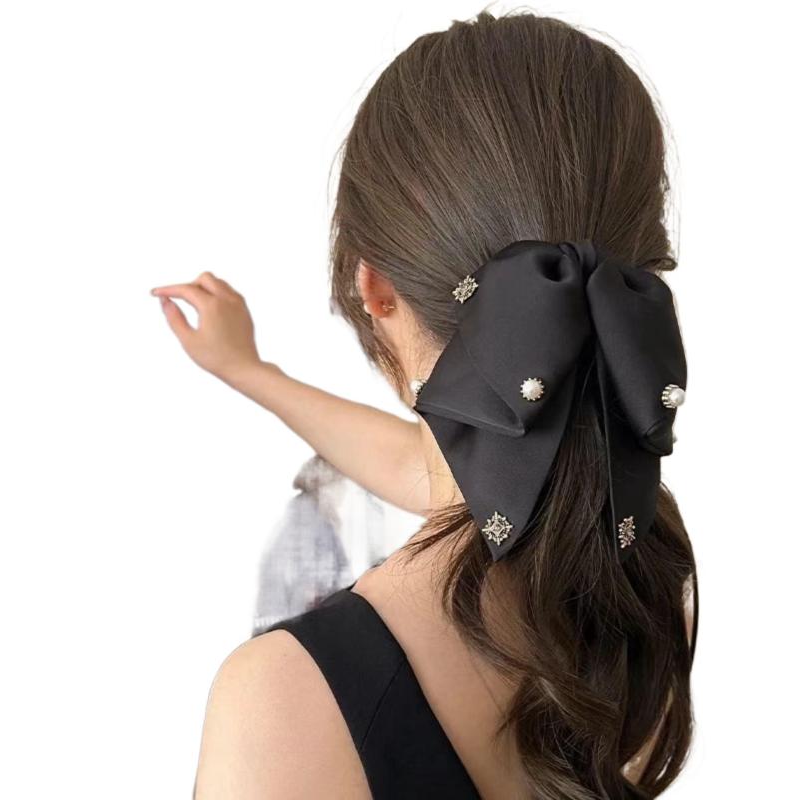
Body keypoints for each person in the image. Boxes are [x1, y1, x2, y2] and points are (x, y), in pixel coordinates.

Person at [152, 10, 698, 799]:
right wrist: (252, 373)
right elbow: (441, 468)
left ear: (374, 289)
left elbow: (447, 469)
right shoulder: (646, 584)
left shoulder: (286, 700)